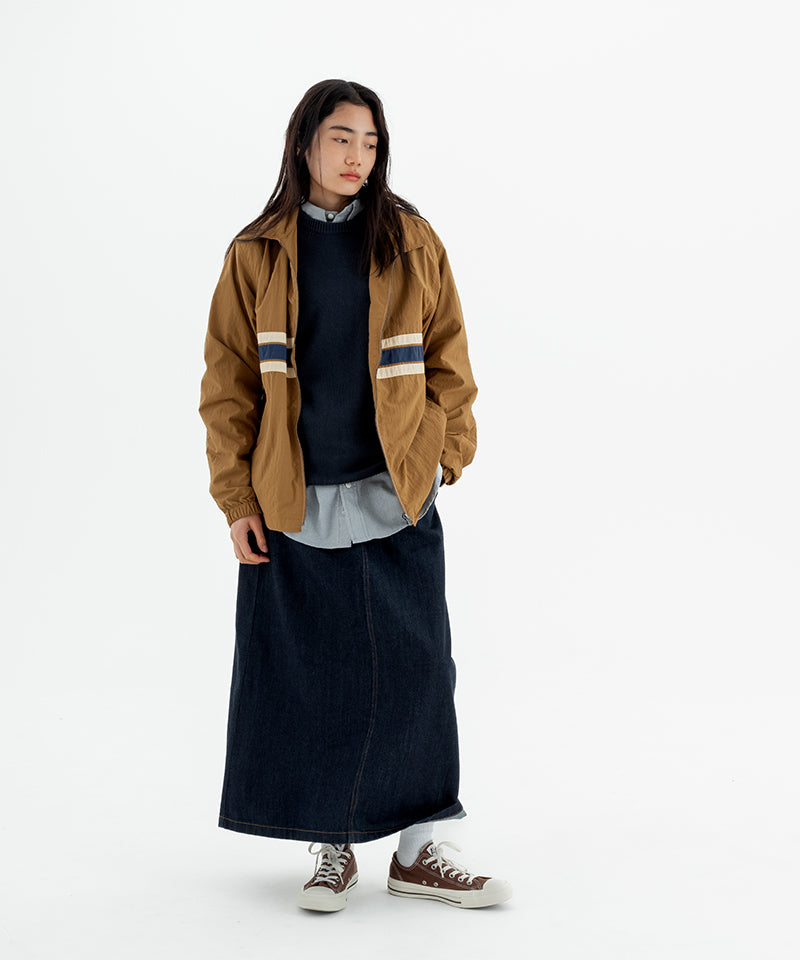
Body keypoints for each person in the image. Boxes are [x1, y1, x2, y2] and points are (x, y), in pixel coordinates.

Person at [198, 78, 512, 912]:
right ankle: (331, 846)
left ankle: (420, 853)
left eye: (370, 142)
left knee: (419, 674)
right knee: (316, 679)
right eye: (341, 138)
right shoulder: (256, 253)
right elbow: (227, 388)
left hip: (396, 493)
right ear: (304, 142)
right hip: (292, 502)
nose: (357, 156)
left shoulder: (410, 239)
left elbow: (450, 360)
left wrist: (444, 461)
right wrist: (237, 500)